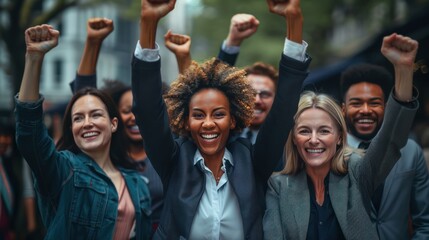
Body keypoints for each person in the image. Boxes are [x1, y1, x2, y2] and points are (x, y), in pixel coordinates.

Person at [131, 0, 310, 238]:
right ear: (185, 121)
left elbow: (283, 112)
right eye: (198, 115)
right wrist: (149, 22)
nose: (208, 123)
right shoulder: (174, 161)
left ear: (233, 120)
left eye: (218, 114)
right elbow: (147, 111)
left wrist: (294, 22)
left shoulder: (253, 160)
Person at [263, 27, 419, 240]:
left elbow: (391, 139)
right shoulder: (278, 186)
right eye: (304, 131)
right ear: (294, 139)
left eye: (324, 131)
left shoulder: (357, 173)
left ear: (338, 137)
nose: (314, 139)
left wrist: (403, 69)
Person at [15, 24, 151, 239]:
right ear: (72, 128)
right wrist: (34, 57)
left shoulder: (137, 184)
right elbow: (29, 132)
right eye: (78, 118)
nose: (87, 123)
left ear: (113, 124)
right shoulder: (63, 170)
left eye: (96, 115)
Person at [71, 18, 165, 235]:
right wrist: (93, 43)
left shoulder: (167, 155)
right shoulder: (107, 155)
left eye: (141, 111)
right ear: (114, 120)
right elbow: (84, 98)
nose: (135, 117)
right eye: (126, 110)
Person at [340, 63, 429, 239]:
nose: (365, 110)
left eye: (374, 103)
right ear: (343, 109)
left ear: (387, 108)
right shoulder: (329, 154)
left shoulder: (411, 151)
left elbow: (425, 222)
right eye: (356, 103)